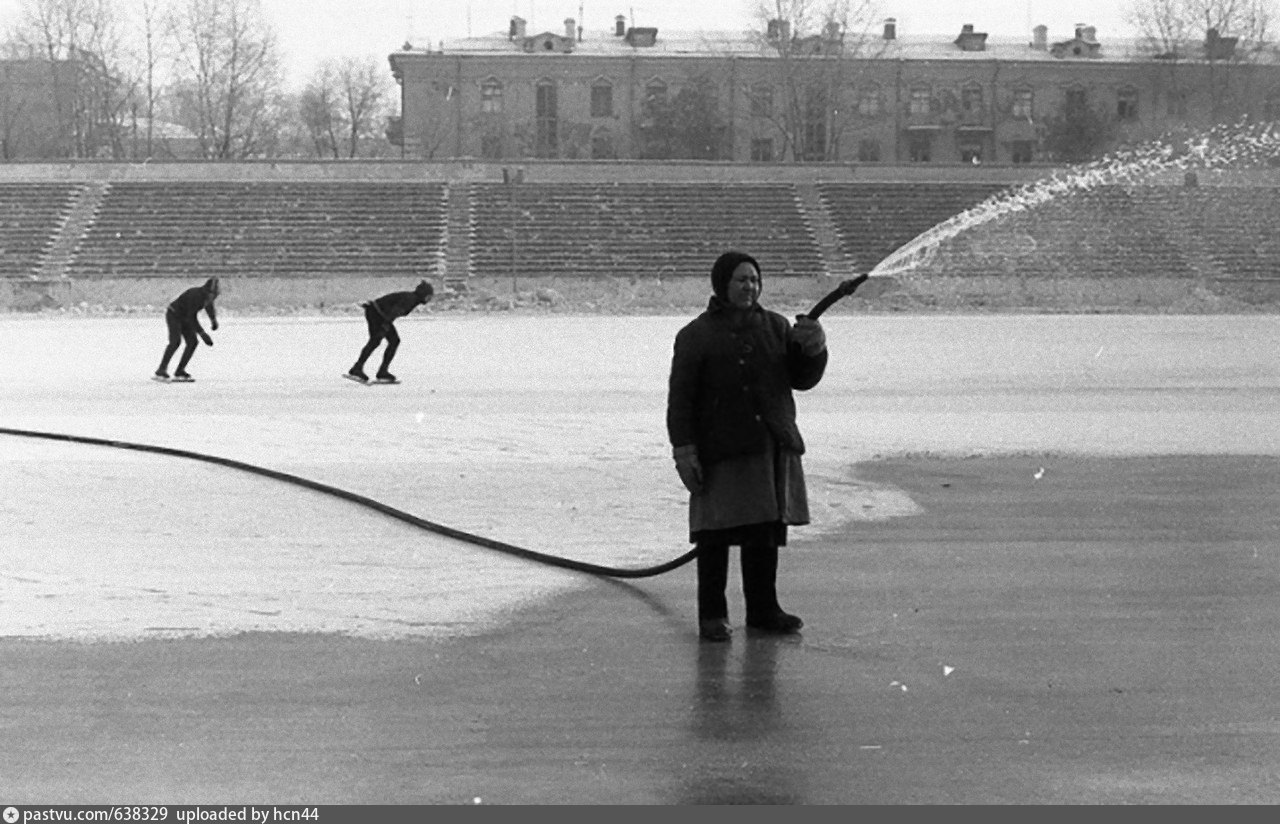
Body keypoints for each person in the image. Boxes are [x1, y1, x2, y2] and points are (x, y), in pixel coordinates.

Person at [666, 251, 829, 642]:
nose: (749, 287)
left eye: (754, 280)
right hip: (719, 450)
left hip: (766, 446)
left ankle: (763, 610)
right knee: (714, 536)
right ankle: (712, 615)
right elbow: (681, 400)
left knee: (763, 534)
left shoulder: (775, 327)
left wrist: (814, 349)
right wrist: (684, 451)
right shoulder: (695, 335)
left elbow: (801, 379)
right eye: (741, 280)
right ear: (722, 284)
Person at [345, 280, 434, 384]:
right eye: (429, 296)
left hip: (378, 313)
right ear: (423, 295)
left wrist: (386, 324)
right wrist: (385, 326)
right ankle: (360, 368)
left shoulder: (412, 298)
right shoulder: (410, 299)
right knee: (380, 341)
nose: (430, 299)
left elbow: (393, 310)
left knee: (391, 341)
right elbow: (395, 311)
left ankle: (378, 370)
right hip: (377, 314)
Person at [155, 277, 219, 382]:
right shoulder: (196, 295)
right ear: (207, 292)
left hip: (185, 317)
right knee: (175, 342)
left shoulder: (207, 297)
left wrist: (213, 320)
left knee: (192, 342)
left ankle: (180, 370)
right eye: (213, 295)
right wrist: (203, 334)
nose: (213, 298)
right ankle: (161, 369)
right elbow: (191, 317)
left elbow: (208, 306)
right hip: (174, 315)